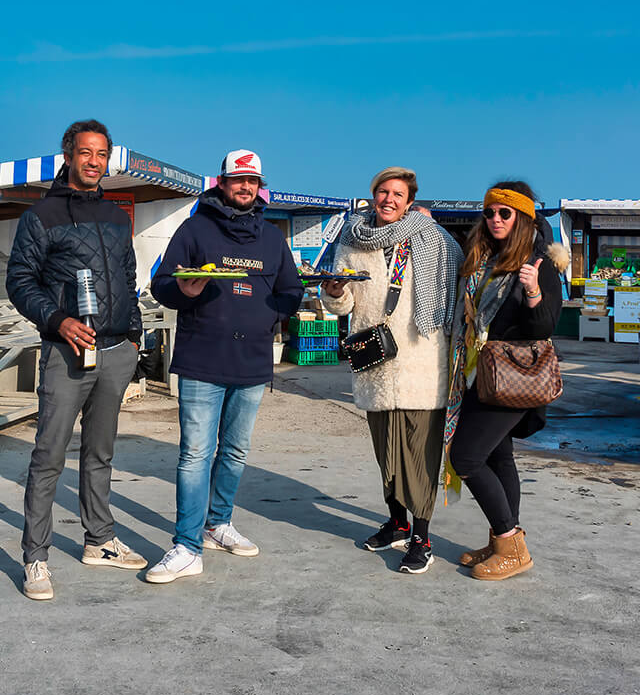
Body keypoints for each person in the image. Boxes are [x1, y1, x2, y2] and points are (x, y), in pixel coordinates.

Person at [146, 149, 303, 583]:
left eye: (252, 181)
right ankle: (186, 545)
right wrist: (188, 291)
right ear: (222, 182)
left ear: (259, 185)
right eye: (238, 180)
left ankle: (218, 523)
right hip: (202, 360)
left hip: (252, 361)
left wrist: (271, 316)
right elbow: (162, 284)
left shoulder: (272, 238)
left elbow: (291, 290)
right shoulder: (195, 228)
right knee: (195, 453)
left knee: (235, 451)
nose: (245, 187)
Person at [6, 119, 146, 601]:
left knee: (100, 454)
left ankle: (99, 541)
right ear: (68, 155)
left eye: (102, 154)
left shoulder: (113, 215)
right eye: (85, 152)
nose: (94, 161)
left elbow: (127, 276)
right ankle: (35, 558)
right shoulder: (40, 215)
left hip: (113, 352)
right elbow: (20, 281)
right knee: (48, 456)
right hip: (67, 353)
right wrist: (58, 320)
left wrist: (133, 336)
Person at [322, 167, 463, 574]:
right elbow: (344, 303)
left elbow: (458, 288)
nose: (388, 199)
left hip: (423, 361)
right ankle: (397, 522)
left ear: (409, 199)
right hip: (376, 362)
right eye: (382, 192)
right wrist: (334, 292)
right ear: (372, 195)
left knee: (419, 453)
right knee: (386, 451)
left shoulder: (434, 239)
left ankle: (422, 536)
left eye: (397, 193)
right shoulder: (353, 239)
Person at [446, 180, 567, 580]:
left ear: (523, 218)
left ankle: (512, 543)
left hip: (515, 376)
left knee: (465, 457)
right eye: (490, 212)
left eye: (505, 213)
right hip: (482, 372)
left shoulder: (539, 262)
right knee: (499, 456)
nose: (495, 219)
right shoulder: (484, 259)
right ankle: (501, 540)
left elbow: (545, 325)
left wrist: (533, 292)